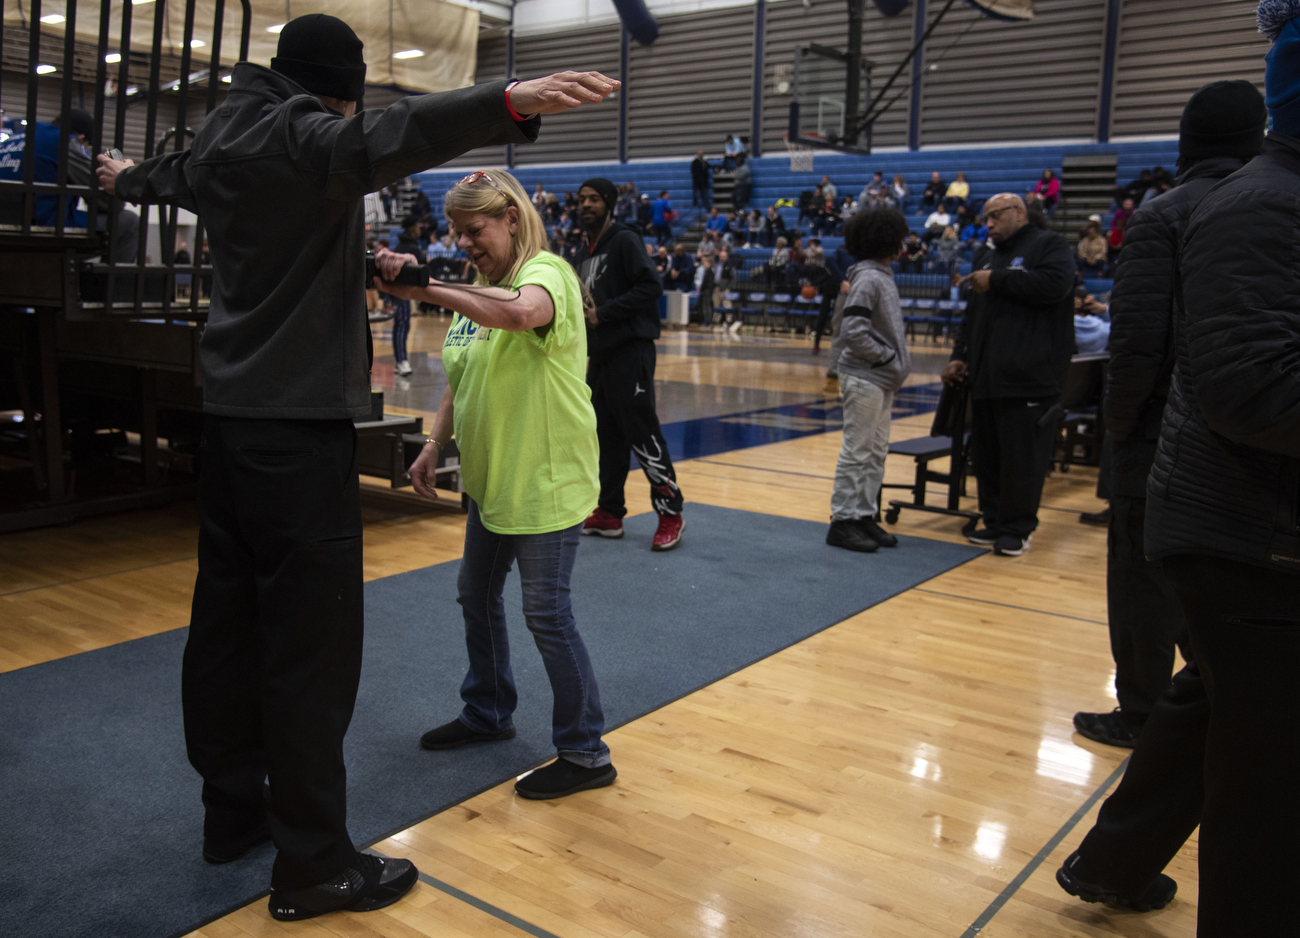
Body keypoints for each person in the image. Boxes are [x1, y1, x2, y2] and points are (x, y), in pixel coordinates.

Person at [95, 14, 616, 921]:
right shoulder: (308, 135)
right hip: (299, 431)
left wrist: (123, 177)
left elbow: (165, 177)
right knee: (311, 654)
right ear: (335, 93)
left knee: (226, 631)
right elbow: (392, 137)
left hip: (226, 422)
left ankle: (233, 818)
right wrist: (504, 99)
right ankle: (313, 866)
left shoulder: (220, 134)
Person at [1056, 56, 1293, 930]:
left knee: (1211, 672)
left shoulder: (1190, 207)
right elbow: (1141, 343)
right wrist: (1119, 442)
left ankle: (1112, 848)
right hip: (1202, 468)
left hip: (1183, 461)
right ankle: (1135, 708)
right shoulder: (1242, 208)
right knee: (1220, 677)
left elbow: (1142, 343)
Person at [379, 168, 616, 804]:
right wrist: (434, 443)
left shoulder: (547, 275)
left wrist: (426, 285)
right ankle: (487, 711)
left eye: (475, 230)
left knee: (546, 613)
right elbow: (462, 376)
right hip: (493, 480)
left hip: (545, 478)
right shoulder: (483, 289)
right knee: (475, 596)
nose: (466, 243)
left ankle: (585, 751)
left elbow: (522, 316)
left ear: (511, 216)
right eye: (457, 234)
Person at [1073, 81, 1264, 756]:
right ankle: (1226, 699)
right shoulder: (1276, 204)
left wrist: (1118, 431)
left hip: (1162, 431)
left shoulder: (1167, 214)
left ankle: (1144, 709)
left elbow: (1137, 344)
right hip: (1254, 435)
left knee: (1138, 575)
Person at [943, 193, 1074, 556]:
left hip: (1030, 377)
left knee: (1022, 458)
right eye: (986, 219)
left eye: (995, 216)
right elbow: (972, 316)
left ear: (1019, 212)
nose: (989, 225)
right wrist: (959, 355)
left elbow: (1055, 286)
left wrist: (997, 280)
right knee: (987, 456)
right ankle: (993, 520)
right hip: (986, 376)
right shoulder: (985, 256)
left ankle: (1017, 528)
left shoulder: (1049, 245)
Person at [572, 178, 686, 550]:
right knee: (605, 435)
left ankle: (671, 512)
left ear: (608, 203)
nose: (586, 204)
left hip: (631, 351)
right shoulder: (585, 252)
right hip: (601, 355)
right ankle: (609, 511)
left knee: (641, 432)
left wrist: (602, 314)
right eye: (581, 200)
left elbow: (651, 287)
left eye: (593, 199)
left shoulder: (624, 239)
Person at [826, 207, 911, 553]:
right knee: (857, 451)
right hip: (865, 377)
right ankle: (842, 521)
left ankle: (863, 514)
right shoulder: (868, 278)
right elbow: (853, 332)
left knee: (875, 453)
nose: (904, 245)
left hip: (881, 379)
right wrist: (888, 359)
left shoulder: (882, 275)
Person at [389, 214, 422, 375]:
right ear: (411, 228)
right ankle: (401, 361)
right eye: (417, 225)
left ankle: (400, 361)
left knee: (403, 324)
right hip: (399, 291)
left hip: (403, 291)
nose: (420, 228)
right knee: (402, 324)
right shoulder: (407, 247)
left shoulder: (406, 245)